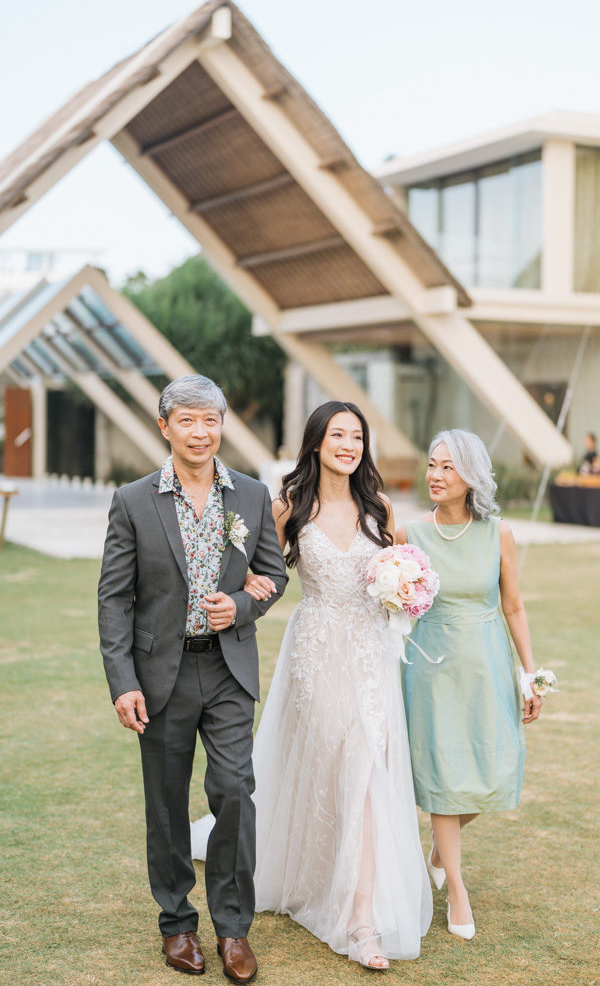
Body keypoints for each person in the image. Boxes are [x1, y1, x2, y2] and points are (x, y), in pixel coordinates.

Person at [195, 401, 432, 969]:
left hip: (372, 655)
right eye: (338, 435)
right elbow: (256, 571)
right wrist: (241, 594)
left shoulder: (379, 507)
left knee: (367, 769)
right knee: (331, 764)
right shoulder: (288, 506)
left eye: (357, 437)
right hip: (317, 649)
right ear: (318, 442)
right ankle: (319, 875)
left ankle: (361, 918)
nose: (348, 445)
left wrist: (405, 590)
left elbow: (400, 571)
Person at [98, 375, 287, 983]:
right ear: (165, 427)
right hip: (160, 674)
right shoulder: (132, 501)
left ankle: (233, 928)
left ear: (222, 424)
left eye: (210, 420)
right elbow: (114, 599)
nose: (200, 432)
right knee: (166, 801)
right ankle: (176, 923)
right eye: (187, 420)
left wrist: (244, 605)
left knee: (234, 790)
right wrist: (123, 681)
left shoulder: (252, 495)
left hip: (229, 669)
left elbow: (274, 574)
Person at [397, 429, 542, 940]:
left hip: (487, 665)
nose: (435, 476)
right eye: (432, 465)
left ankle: (441, 851)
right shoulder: (408, 534)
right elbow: (392, 605)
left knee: (491, 771)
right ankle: (457, 891)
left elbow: (514, 606)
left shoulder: (498, 533)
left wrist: (529, 675)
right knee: (443, 775)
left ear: (471, 477)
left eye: (448, 468)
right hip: (431, 669)